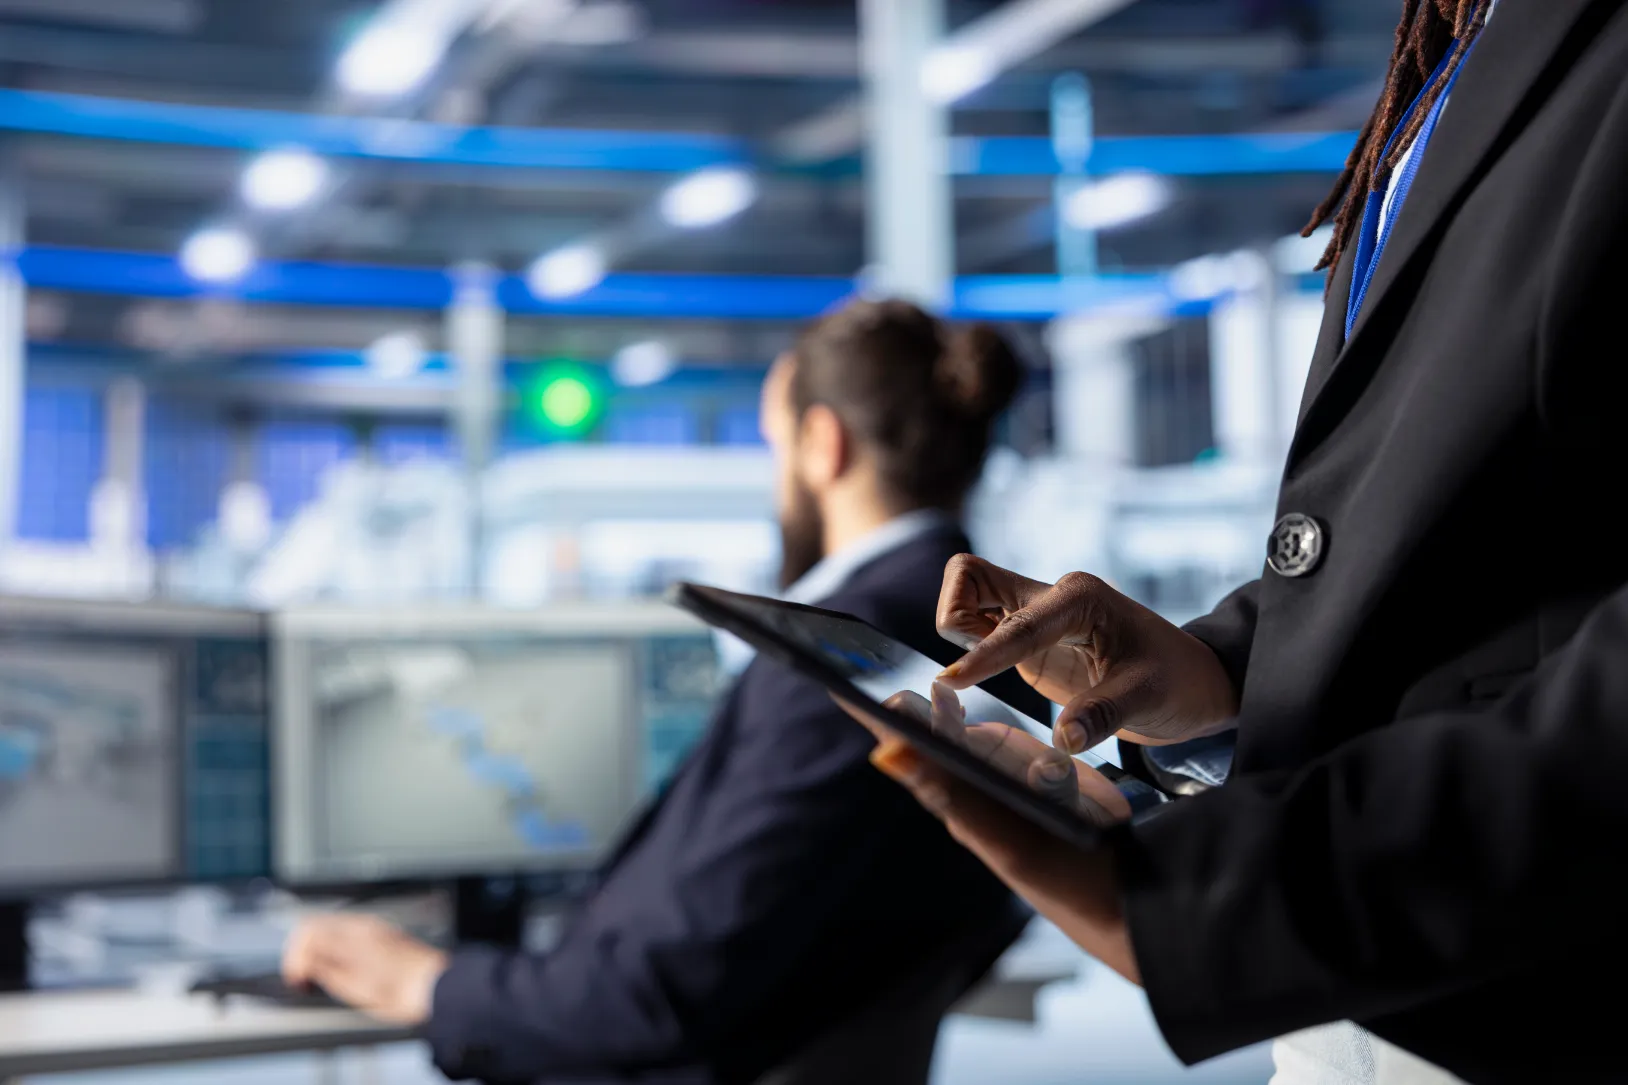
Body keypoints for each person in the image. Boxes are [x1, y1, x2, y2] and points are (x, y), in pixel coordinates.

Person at [857, 0, 1628, 1082]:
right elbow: (1470, 529)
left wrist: (1205, 899)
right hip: (1362, 996)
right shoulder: (1454, 48)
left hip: (1522, 976)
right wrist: (1218, 675)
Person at [282, 299, 1050, 1085]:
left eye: (773, 446)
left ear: (822, 446)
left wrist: (427, 983)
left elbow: (658, 990)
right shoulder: (981, 640)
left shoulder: (844, 656)